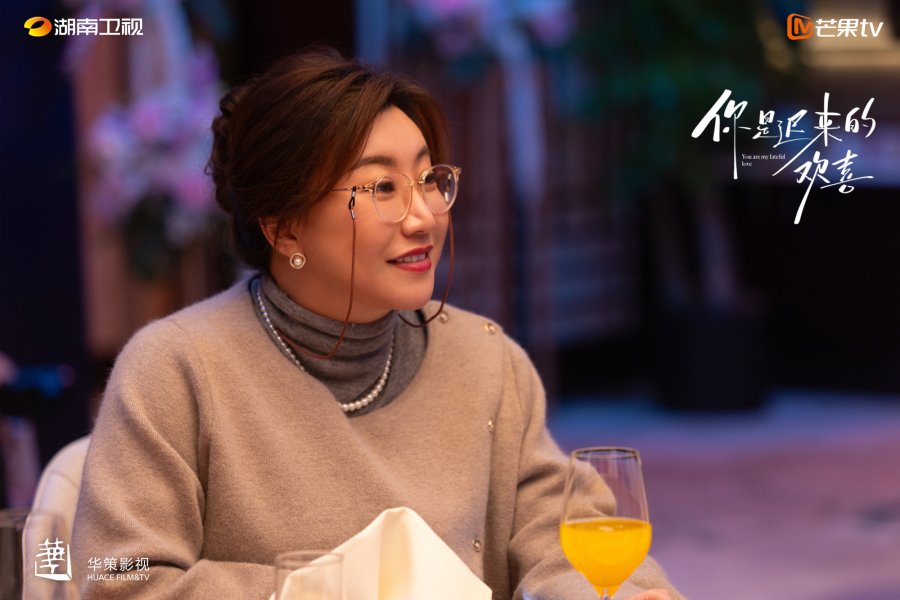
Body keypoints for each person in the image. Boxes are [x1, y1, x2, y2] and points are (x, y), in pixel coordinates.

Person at [72, 47, 684, 600]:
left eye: (428, 179)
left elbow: (563, 537)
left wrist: (623, 594)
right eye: (383, 187)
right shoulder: (177, 368)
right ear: (284, 227)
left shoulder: (486, 361)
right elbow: (118, 576)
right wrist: (332, 587)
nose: (423, 217)